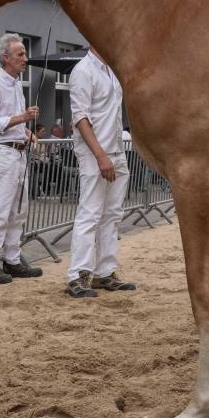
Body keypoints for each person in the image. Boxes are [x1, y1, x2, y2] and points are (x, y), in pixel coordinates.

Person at [66, 47, 135, 297]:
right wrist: (100, 155)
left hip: (115, 150)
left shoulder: (111, 71)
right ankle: (78, 274)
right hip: (96, 154)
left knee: (112, 215)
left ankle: (105, 272)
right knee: (90, 214)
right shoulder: (83, 70)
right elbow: (81, 117)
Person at [0, 33, 43, 284]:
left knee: (18, 209)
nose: (25, 59)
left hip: (18, 151)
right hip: (2, 153)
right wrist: (23, 119)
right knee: (0, 209)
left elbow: (12, 121)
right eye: (20, 54)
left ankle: (13, 258)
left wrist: (27, 133)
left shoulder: (16, 84)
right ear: (6, 57)